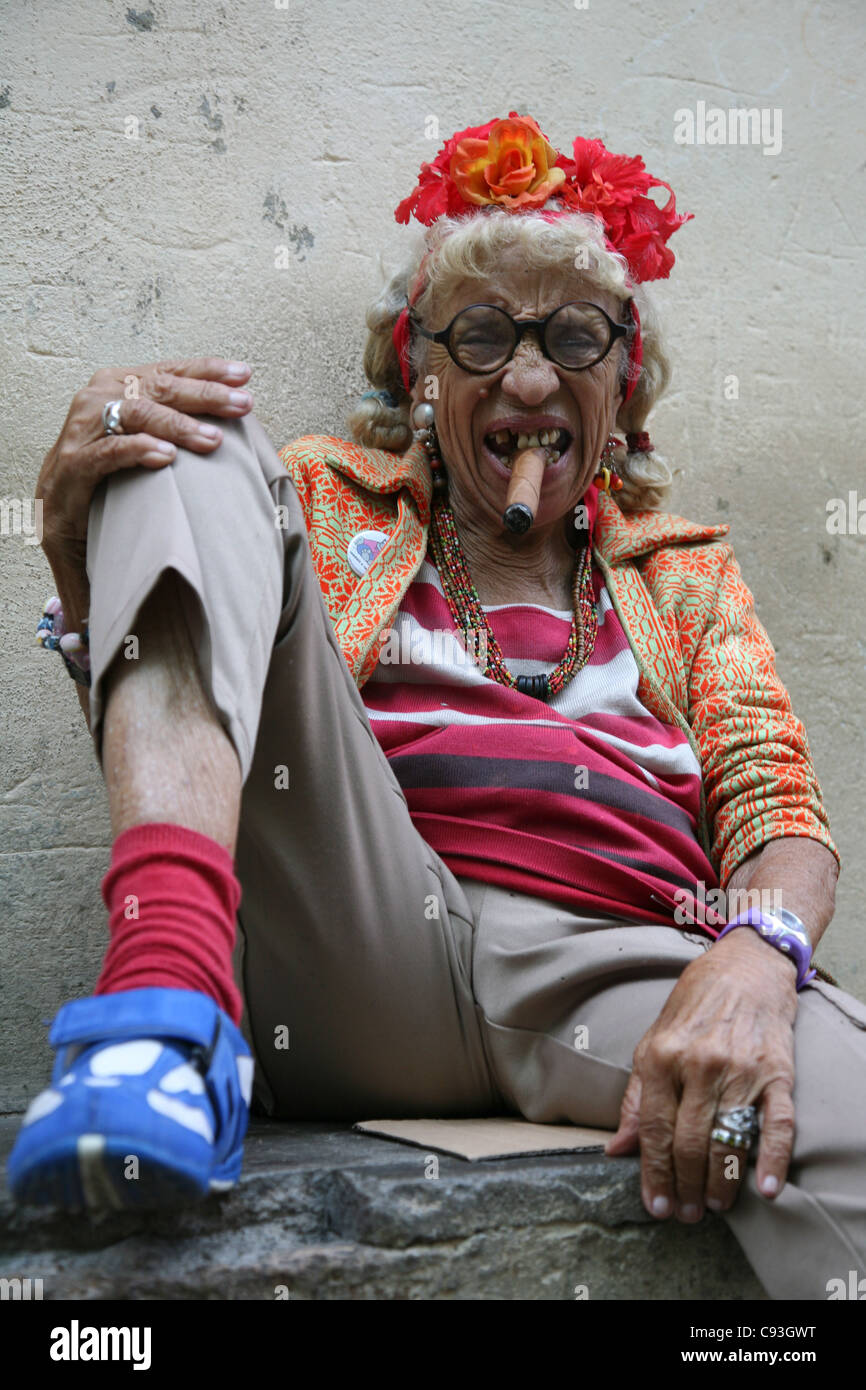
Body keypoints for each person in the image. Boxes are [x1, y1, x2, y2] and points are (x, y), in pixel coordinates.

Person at [9, 115, 865, 1301]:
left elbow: (778, 810)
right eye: (480, 336)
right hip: (359, 940)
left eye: (573, 334)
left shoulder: (685, 571)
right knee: (187, 440)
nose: (525, 375)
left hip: (625, 974)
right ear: (418, 376)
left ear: (621, 384)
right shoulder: (323, 496)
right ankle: (163, 1004)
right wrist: (82, 574)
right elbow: (192, 668)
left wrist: (756, 957)